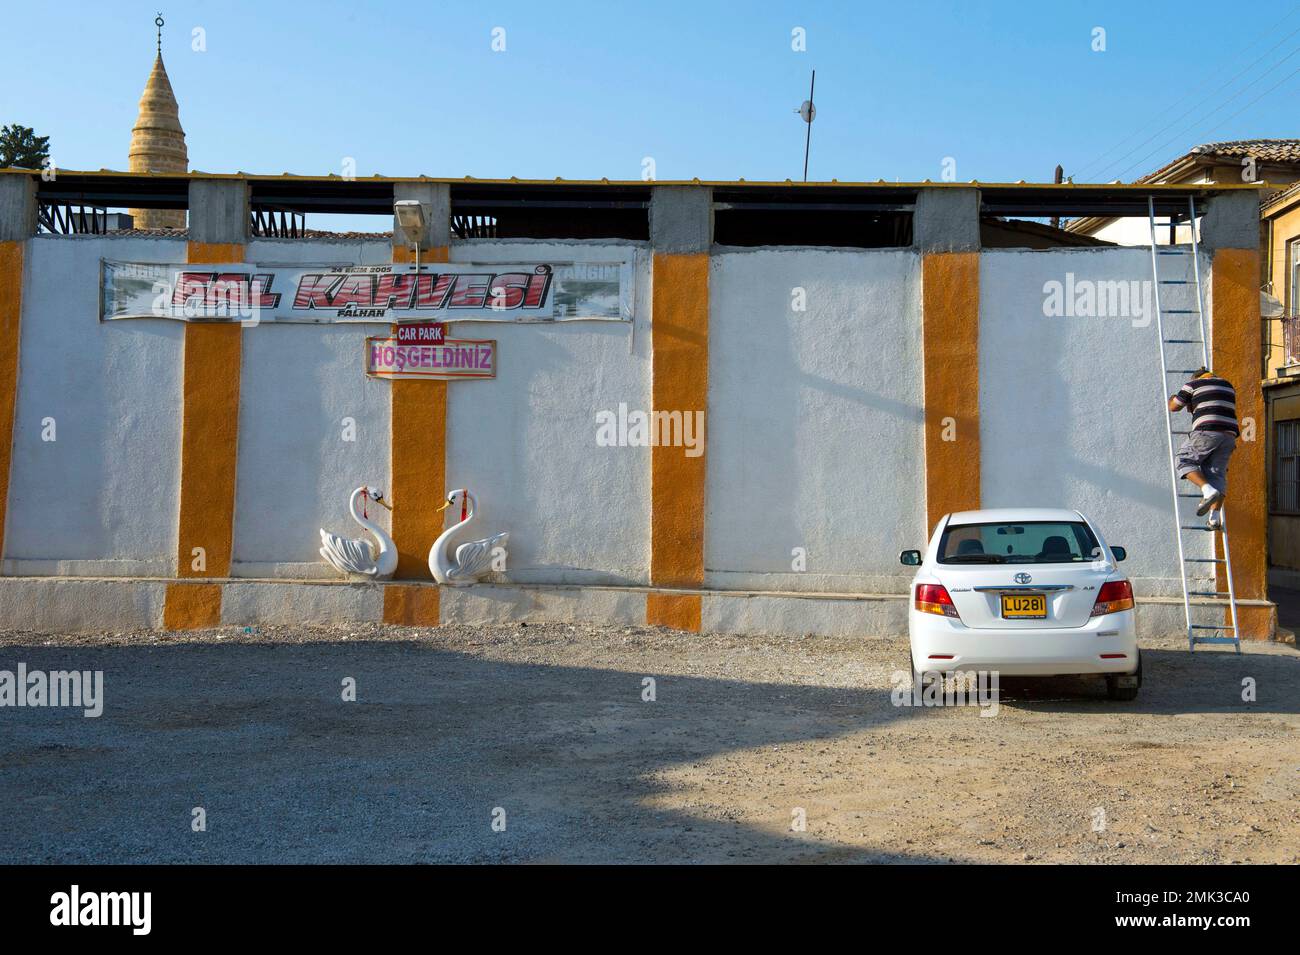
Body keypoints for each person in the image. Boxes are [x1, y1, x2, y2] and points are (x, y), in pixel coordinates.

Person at [1168, 367, 1238, 530]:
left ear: (1196, 377)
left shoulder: (1193, 384)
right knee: (1216, 473)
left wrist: (1172, 398)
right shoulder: (1227, 385)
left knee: (1184, 460)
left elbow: (1174, 407)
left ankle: (1207, 490)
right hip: (1229, 435)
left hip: (1207, 430)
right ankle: (1214, 519)